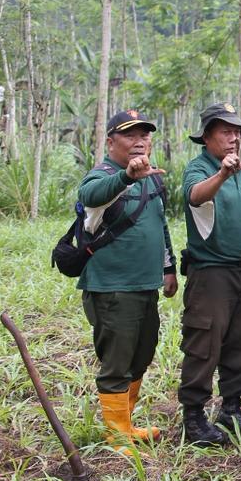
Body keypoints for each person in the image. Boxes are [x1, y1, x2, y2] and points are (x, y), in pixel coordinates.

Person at [78, 109, 177, 455]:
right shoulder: (102, 175)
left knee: (142, 353)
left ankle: (126, 423)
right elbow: (90, 195)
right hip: (113, 288)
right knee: (117, 362)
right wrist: (126, 176)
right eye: (129, 135)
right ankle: (117, 436)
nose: (139, 141)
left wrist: (169, 268)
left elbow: (159, 225)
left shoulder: (152, 178)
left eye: (144, 135)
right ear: (110, 142)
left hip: (146, 285)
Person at [179, 102, 241, 447]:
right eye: (227, 131)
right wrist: (222, 175)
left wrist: (231, 172)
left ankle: (232, 409)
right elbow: (195, 196)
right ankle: (194, 417)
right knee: (204, 343)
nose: (234, 138)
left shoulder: (240, 170)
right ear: (207, 137)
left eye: (238, 132)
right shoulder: (199, 168)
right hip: (211, 272)